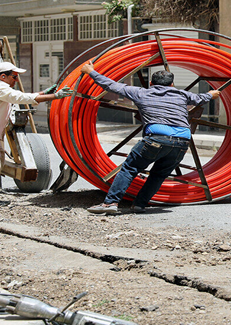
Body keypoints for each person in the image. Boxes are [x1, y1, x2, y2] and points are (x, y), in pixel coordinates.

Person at [81, 60, 221, 215]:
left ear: (150, 83)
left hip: (156, 139)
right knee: (159, 174)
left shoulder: (141, 93)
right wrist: (211, 94)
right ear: (172, 84)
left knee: (129, 168)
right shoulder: (182, 95)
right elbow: (200, 98)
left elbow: (111, 85)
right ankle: (140, 205)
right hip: (182, 142)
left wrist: (90, 72)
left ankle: (110, 204)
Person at [0, 61, 72, 208]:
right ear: (3, 76)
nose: (16, 80)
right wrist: (55, 96)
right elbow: (21, 98)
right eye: (14, 77)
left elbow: (21, 96)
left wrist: (46, 92)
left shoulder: (1, 88)